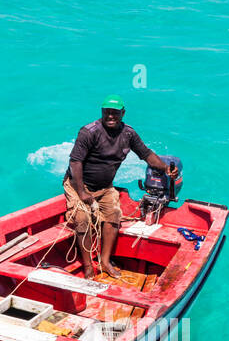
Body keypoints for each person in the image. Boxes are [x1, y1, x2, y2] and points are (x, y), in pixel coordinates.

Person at [64, 97, 178, 280]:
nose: (111, 115)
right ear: (102, 113)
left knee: (114, 214)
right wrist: (82, 192)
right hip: (79, 185)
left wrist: (165, 168)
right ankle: (87, 266)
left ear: (122, 113)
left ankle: (105, 261)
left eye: (115, 112)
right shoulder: (89, 132)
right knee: (82, 218)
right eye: (107, 112)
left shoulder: (128, 134)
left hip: (104, 187)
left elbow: (147, 155)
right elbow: (75, 162)